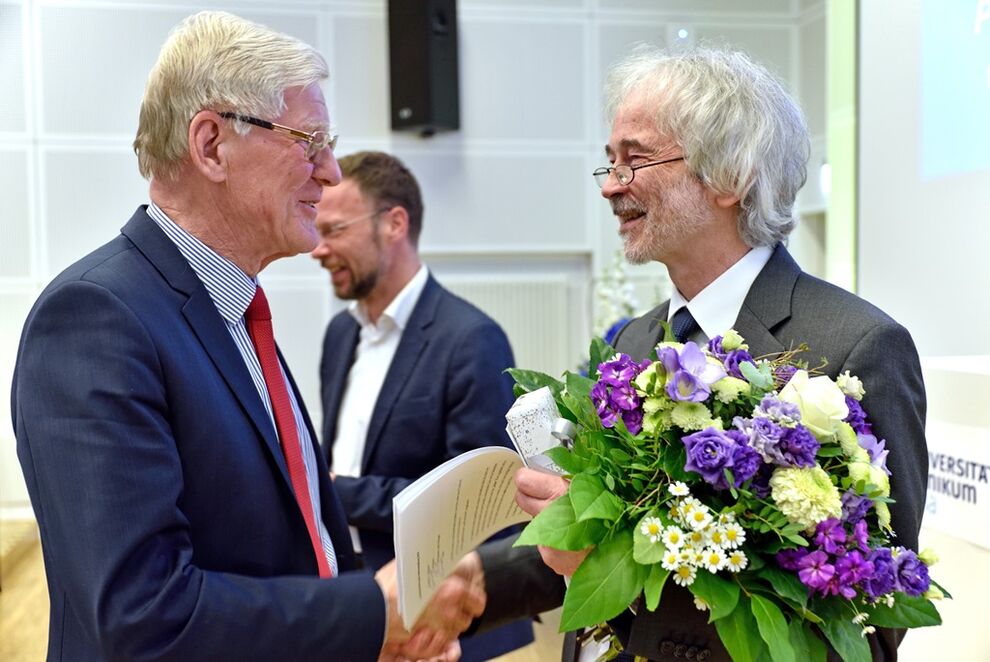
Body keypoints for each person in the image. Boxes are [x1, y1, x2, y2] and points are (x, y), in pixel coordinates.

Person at [11, 12, 481, 662]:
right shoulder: (97, 317)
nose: (332, 172)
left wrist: (380, 637)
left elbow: (296, 545)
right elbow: (141, 615)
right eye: (309, 140)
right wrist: (372, 612)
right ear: (210, 145)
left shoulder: (231, 311)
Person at [464, 46, 928, 662]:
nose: (611, 187)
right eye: (609, 163)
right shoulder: (633, 342)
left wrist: (611, 580)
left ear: (731, 177)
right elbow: (594, 534)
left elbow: (868, 626)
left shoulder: (857, 347)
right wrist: (463, 589)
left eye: (635, 160)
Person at [311, 150, 535, 661]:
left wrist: (331, 494)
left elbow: (479, 503)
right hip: (360, 599)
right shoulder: (339, 335)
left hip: (443, 610)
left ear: (393, 223)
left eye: (335, 229)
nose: (317, 249)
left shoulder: (471, 339)